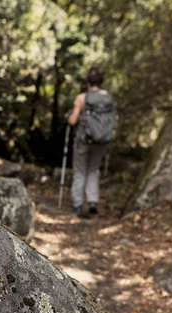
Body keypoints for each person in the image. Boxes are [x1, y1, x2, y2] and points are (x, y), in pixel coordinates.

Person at [67, 68, 116, 218]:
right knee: (93, 171)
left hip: (84, 140)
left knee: (80, 171)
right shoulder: (109, 98)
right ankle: (93, 201)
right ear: (101, 83)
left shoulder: (82, 98)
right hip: (102, 141)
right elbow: (113, 121)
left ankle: (78, 205)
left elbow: (73, 120)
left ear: (88, 82)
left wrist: (68, 117)